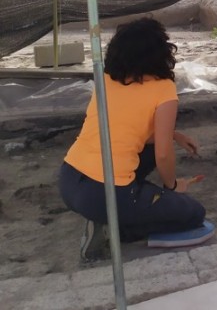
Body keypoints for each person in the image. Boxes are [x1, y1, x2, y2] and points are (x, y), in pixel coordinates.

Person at [59, 18, 208, 261]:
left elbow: (126, 125)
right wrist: (172, 186)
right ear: (161, 52)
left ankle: (121, 208)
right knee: (193, 213)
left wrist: (175, 135)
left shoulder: (105, 79)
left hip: (69, 179)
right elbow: (162, 153)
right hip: (104, 194)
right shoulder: (163, 88)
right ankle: (114, 227)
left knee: (145, 151)